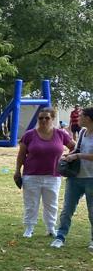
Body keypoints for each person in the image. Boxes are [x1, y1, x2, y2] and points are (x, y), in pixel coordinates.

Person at [13, 107, 74, 238]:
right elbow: (21, 154)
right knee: (31, 203)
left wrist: (68, 158)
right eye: (41, 118)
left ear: (52, 119)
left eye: (47, 118)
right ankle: (29, 228)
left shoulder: (60, 134)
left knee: (51, 204)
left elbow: (74, 147)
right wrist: (17, 171)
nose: (44, 120)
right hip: (31, 175)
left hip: (53, 176)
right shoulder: (29, 135)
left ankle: (51, 228)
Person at [51, 107, 93, 251]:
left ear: (88, 118)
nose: (77, 118)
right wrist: (68, 155)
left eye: (81, 116)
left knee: (92, 212)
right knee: (67, 210)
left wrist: (78, 156)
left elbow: (82, 155)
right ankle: (60, 237)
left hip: (91, 178)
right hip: (75, 177)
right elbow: (78, 149)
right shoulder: (82, 132)